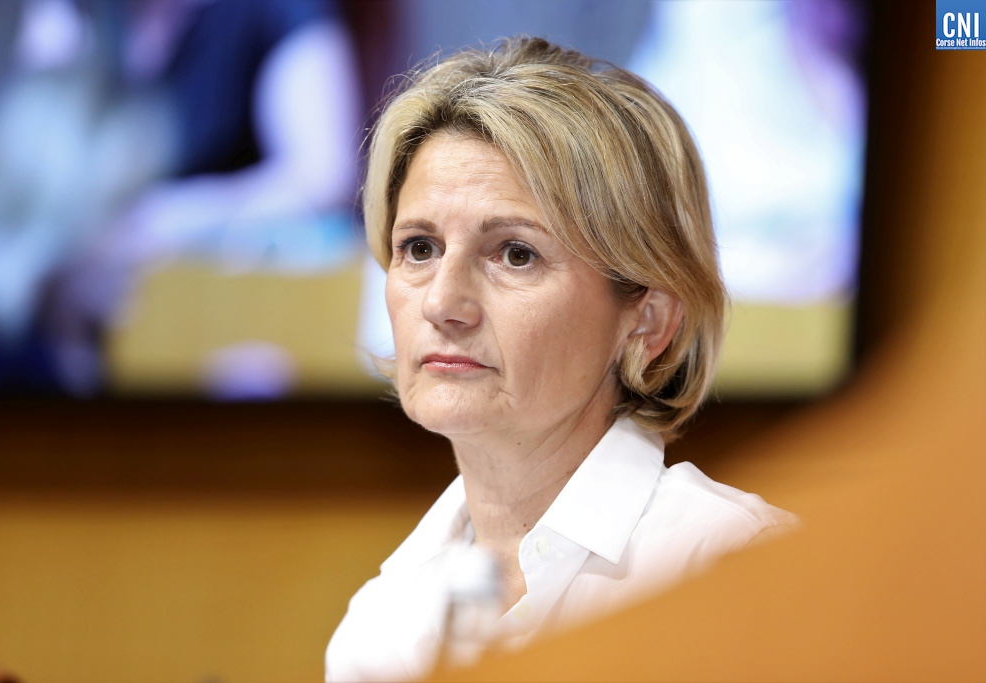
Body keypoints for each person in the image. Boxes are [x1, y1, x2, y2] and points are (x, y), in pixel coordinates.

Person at [326, 36, 797, 681]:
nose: (443, 302)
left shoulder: (741, 570)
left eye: (515, 253)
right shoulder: (379, 627)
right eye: (419, 248)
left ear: (646, 319)